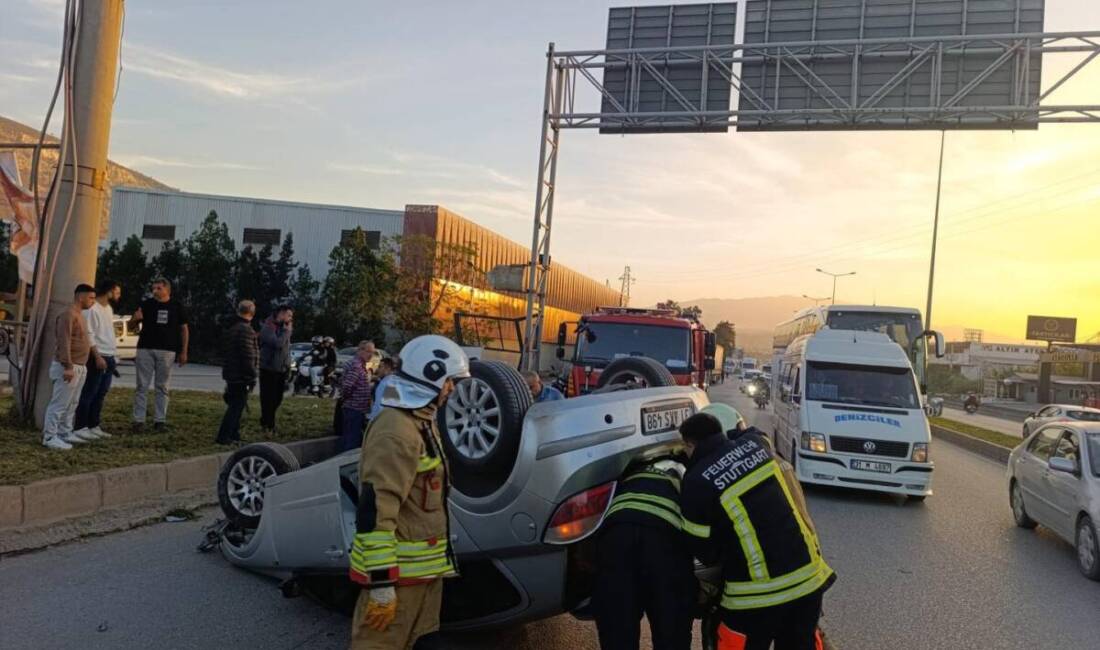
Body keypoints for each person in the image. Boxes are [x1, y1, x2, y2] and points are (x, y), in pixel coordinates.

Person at [348, 335, 469, 650]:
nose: (452, 390)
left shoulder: (421, 423)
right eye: (449, 382)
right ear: (431, 377)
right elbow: (376, 512)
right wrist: (381, 583)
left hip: (424, 580)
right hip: (398, 583)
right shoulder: (396, 430)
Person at [679, 413, 833, 650]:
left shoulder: (695, 481)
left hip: (754, 598)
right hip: (808, 582)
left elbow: (704, 552)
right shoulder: (757, 444)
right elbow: (753, 432)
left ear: (690, 444)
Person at [591, 457, 696, 650]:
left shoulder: (630, 469)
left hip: (617, 536)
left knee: (617, 627)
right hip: (663, 540)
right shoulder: (688, 472)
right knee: (671, 625)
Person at [42, 284, 105, 450]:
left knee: (72, 403)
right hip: (68, 367)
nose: (93, 301)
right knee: (60, 404)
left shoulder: (80, 315)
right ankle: (49, 436)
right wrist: (68, 366)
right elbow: (64, 341)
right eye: (91, 298)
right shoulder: (68, 315)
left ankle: (65, 432)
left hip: (80, 366)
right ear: (80, 297)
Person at [131, 277, 189, 432]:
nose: (154, 291)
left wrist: (183, 351)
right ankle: (138, 421)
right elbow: (132, 325)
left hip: (167, 350)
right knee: (142, 385)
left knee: (162, 386)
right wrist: (135, 320)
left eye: (158, 288)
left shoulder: (176, 306)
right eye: (153, 288)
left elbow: (184, 329)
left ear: (167, 290)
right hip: (145, 348)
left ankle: (159, 421)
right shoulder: (146, 304)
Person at [73, 280, 121, 440]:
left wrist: (113, 356)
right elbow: (90, 334)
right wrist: (98, 356)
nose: (119, 296)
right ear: (109, 291)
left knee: (101, 393)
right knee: (89, 393)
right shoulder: (92, 310)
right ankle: (80, 426)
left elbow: (107, 333)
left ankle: (94, 425)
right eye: (117, 292)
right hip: (97, 357)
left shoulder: (108, 308)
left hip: (109, 356)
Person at [216, 301, 259, 445]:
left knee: (235, 405)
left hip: (231, 371)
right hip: (240, 374)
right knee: (236, 406)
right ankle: (225, 436)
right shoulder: (246, 330)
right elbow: (248, 355)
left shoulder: (232, 328)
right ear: (252, 313)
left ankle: (234, 435)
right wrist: (252, 375)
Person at [258, 305, 293, 433]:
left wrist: (288, 365)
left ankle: (267, 420)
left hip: (281, 369)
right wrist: (286, 332)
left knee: (278, 398)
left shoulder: (284, 328)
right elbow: (277, 344)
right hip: (269, 368)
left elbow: (285, 348)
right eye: (289, 315)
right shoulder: (269, 327)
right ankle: (268, 423)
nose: (290, 319)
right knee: (269, 398)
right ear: (281, 314)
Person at [340, 340, 376, 451]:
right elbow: (347, 386)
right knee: (351, 440)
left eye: (373, 352)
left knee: (352, 437)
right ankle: (345, 463)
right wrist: (347, 399)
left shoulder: (361, 365)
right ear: (360, 351)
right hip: (354, 408)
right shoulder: (356, 366)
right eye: (368, 351)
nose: (370, 355)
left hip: (357, 408)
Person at [369, 357, 398, 422]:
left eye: (380, 367)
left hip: (379, 421)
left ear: (387, 369)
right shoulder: (388, 381)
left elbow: (383, 408)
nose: (377, 370)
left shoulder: (388, 384)